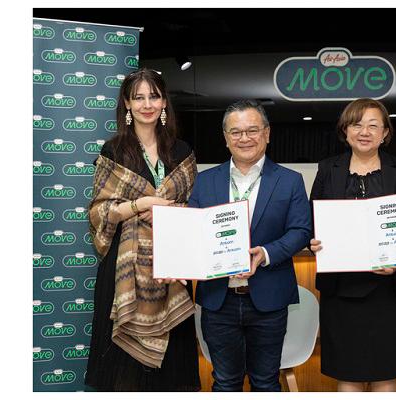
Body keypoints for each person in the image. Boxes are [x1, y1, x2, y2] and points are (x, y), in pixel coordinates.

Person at [85, 68, 201, 391]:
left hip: (171, 273)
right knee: (124, 375)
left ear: (164, 102)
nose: (147, 104)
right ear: (127, 104)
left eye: (154, 96)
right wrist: (142, 206)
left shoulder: (182, 153)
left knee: (171, 373)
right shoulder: (113, 151)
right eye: (139, 97)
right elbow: (98, 212)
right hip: (122, 275)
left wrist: (175, 213)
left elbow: (194, 212)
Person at [188, 99, 312, 391]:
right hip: (219, 301)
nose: (244, 138)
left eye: (252, 130)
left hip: (268, 300)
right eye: (236, 132)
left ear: (267, 133)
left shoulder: (289, 181)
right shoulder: (204, 182)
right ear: (226, 138)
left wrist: (266, 254)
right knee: (225, 382)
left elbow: (301, 230)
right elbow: (191, 232)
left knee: (266, 382)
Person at [308, 98, 396, 392]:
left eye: (373, 125)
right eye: (357, 124)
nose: (364, 132)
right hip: (342, 292)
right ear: (346, 130)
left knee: (387, 373)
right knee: (349, 373)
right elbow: (313, 222)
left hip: (390, 292)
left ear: (385, 133)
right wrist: (315, 243)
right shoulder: (327, 169)